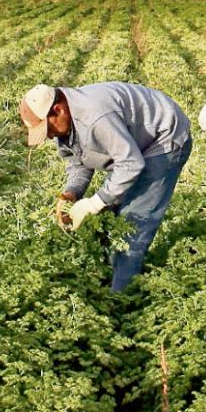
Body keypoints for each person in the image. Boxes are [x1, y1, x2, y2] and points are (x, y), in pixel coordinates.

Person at [20, 82, 192, 292]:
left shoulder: (94, 117)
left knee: (132, 223)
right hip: (133, 146)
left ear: (58, 110)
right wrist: (71, 193)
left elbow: (130, 164)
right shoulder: (66, 122)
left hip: (163, 137)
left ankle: (121, 298)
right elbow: (78, 162)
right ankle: (107, 275)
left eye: (47, 129)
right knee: (109, 212)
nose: (48, 136)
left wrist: (95, 202)